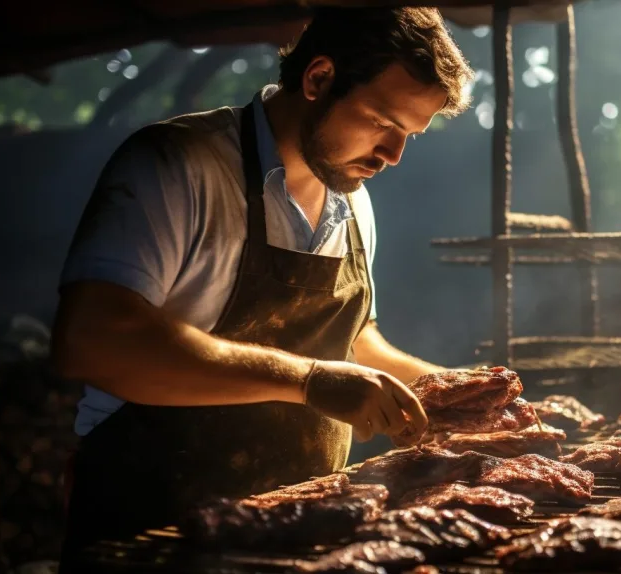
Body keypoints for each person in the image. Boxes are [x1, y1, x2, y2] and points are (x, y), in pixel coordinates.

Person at [52, 6, 474, 568]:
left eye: (409, 136)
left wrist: (459, 395)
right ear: (318, 78)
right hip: (156, 533)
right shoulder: (177, 165)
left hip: (297, 542)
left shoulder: (352, 200)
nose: (393, 156)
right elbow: (93, 340)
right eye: (383, 122)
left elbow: (353, 342)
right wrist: (310, 381)